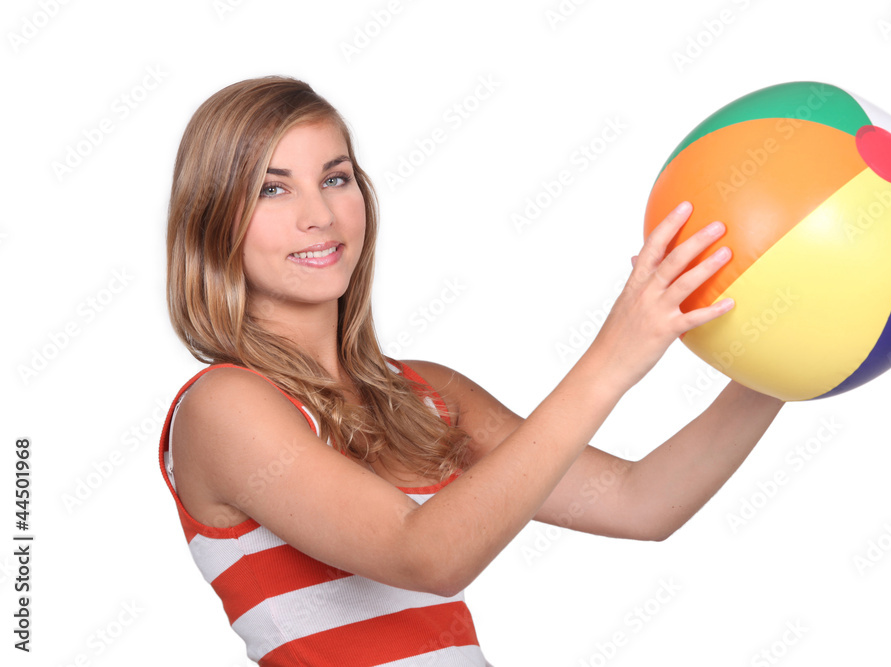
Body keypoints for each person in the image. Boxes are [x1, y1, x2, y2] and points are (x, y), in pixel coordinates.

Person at [159, 75, 784, 666]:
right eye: (273, 188)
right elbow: (425, 554)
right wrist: (611, 360)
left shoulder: (428, 392)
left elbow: (640, 503)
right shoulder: (225, 405)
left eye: (336, 178)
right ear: (214, 222)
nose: (318, 214)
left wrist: (788, 356)